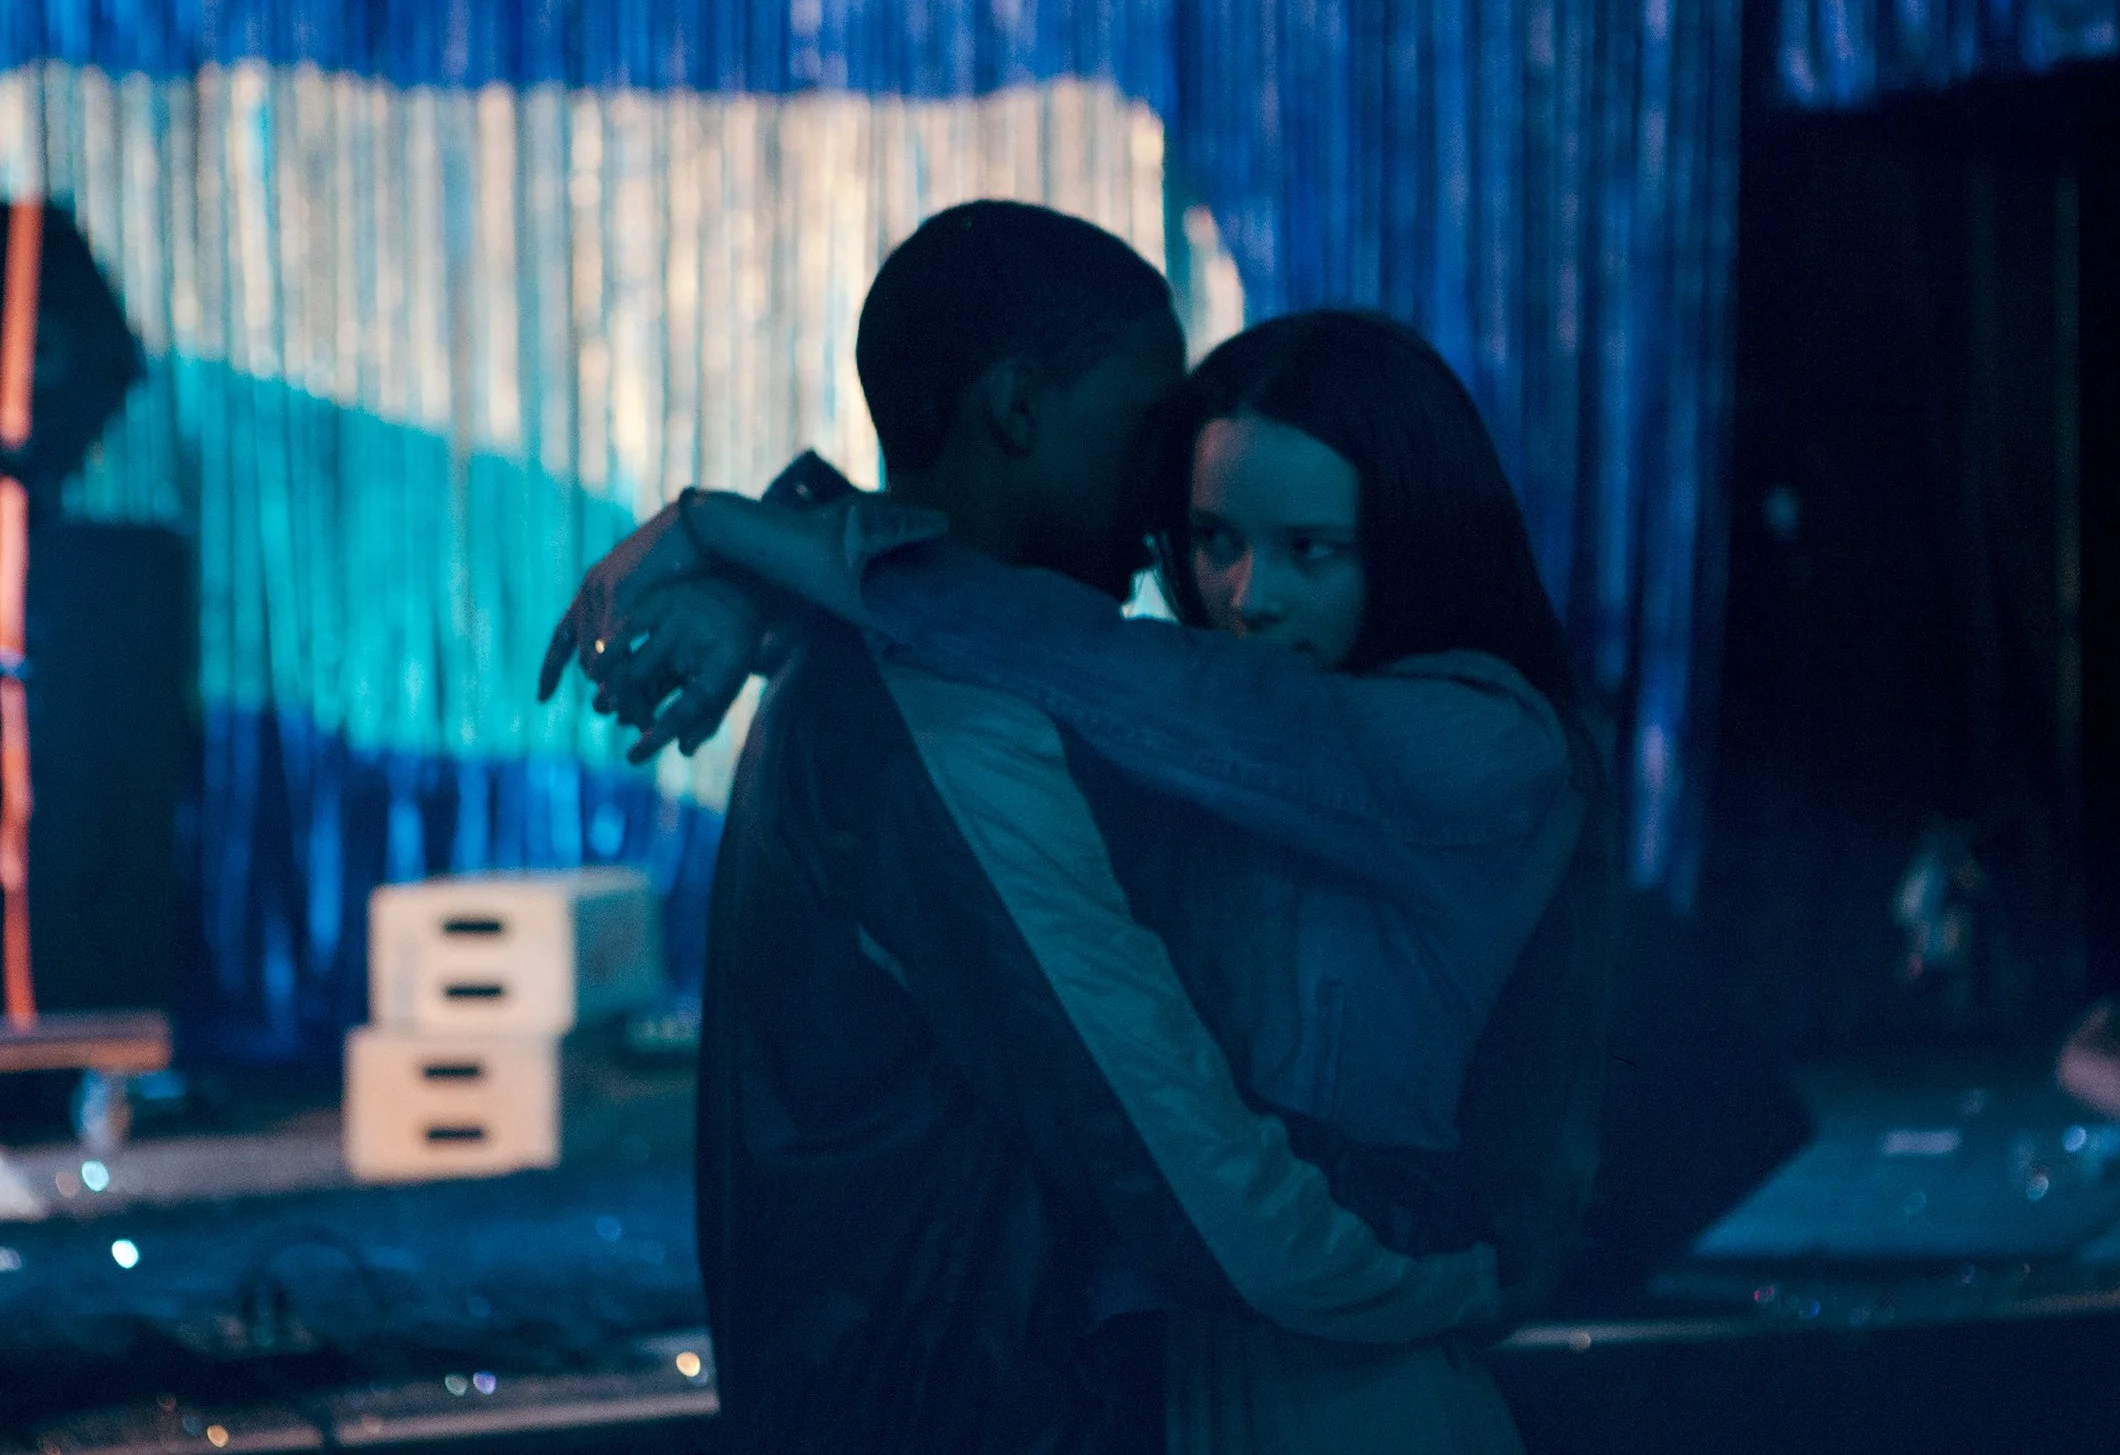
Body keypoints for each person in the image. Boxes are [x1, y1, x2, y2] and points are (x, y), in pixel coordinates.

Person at [550, 283, 1614, 1444]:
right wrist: (762, 580)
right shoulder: (1194, 751)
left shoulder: (1486, 745)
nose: (1253, 596)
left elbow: (1094, 661)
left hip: (1360, 1375)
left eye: (1313, 549)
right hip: (1200, 1363)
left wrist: (739, 533)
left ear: (1412, 541)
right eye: (1215, 541)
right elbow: (1053, 656)